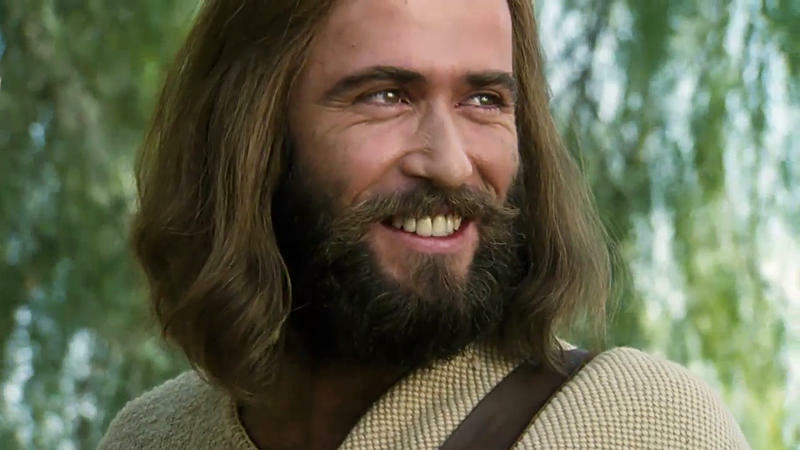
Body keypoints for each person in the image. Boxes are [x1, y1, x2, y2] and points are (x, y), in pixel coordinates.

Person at [99, 0, 749, 448]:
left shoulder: (644, 427)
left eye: (484, 100)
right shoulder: (151, 437)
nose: (450, 163)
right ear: (253, 135)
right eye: (386, 96)